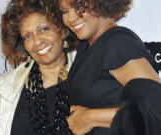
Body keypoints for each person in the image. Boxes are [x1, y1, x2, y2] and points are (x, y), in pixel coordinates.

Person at [55, 0, 161, 134]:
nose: (71, 18)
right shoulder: (86, 44)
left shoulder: (118, 43)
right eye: (65, 11)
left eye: (80, 7)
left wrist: (91, 117)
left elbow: (156, 112)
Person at [0, 0, 77, 134]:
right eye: (27, 36)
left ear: (61, 29)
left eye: (44, 29)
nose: (37, 41)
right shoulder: (0, 91)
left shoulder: (90, 71)